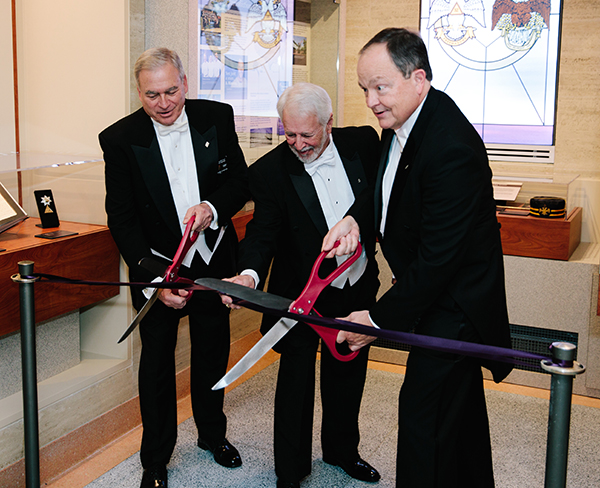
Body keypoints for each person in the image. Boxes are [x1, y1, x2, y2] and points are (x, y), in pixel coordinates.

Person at [323, 28, 514, 488]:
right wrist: (354, 219)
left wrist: (376, 319)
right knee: (457, 419)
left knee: (422, 423)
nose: (371, 101)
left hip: (455, 307)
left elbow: (438, 260)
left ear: (418, 78)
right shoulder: (403, 122)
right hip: (432, 295)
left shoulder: (451, 147)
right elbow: (385, 191)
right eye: (364, 88)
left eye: (380, 87)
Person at [100, 47, 250, 488]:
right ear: (139, 92)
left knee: (211, 353)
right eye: (152, 95)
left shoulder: (216, 117)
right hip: (159, 268)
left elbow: (240, 181)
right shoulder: (119, 139)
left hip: (212, 262)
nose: (164, 103)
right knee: (157, 366)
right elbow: (121, 219)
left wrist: (212, 206)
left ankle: (212, 435)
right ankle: (156, 457)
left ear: (185, 82)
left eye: (171, 91)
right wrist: (153, 278)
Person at [222, 83, 381, 488]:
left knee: (348, 370)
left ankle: (342, 451)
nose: (297, 143)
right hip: (300, 295)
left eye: (306, 134)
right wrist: (248, 275)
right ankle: (290, 471)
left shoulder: (364, 142)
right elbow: (263, 233)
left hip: (356, 281)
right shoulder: (270, 171)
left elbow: (383, 198)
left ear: (329, 123)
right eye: (288, 134)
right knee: (294, 383)